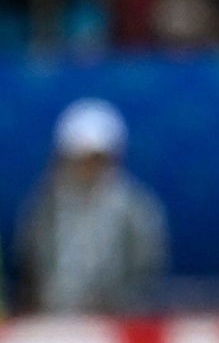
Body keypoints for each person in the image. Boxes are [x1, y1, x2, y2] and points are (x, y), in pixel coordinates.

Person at [14, 98, 169, 314]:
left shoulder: (135, 207)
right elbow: (30, 257)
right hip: (53, 313)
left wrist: (119, 296)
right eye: (81, 159)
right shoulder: (46, 205)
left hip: (117, 313)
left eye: (96, 159)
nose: (89, 168)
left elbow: (145, 260)